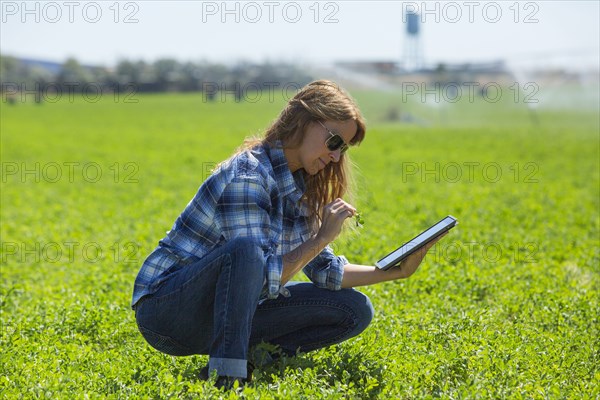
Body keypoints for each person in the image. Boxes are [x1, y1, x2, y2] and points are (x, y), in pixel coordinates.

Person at [131, 80, 443, 389]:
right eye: (334, 142)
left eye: (343, 149)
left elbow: (325, 272)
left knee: (354, 309)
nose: (336, 157)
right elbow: (259, 274)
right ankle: (226, 376)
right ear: (303, 122)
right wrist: (320, 238)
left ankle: (250, 359)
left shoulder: (299, 186)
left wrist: (393, 271)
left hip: (222, 315)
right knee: (245, 250)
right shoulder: (249, 176)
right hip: (167, 312)